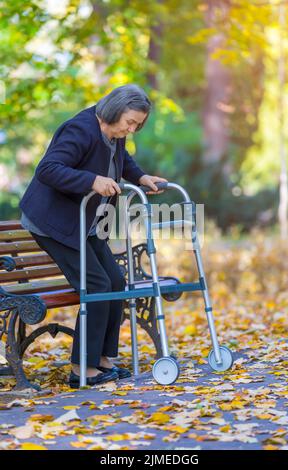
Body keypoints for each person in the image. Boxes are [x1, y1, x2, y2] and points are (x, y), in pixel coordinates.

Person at [19, 84, 168, 388]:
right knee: (96, 284)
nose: (132, 129)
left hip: (85, 224)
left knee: (114, 281)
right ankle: (81, 369)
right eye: (130, 122)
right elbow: (47, 169)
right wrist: (92, 180)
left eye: (138, 125)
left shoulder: (115, 134)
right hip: (54, 223)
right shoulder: (80, 129)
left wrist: (141, 177)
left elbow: (120, 161)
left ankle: (102, 360)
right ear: (114, 110)